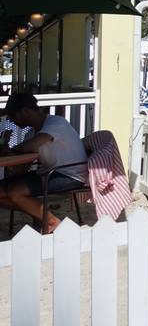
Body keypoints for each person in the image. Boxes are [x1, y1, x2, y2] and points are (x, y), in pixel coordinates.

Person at [0, 93, 89, 233]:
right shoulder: (31, 132)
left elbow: (31, 145)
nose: (11, 120)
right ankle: (38, 214)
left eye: (12, 116)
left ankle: (52, 222)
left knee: (15, 192)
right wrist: (6, 149)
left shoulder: (56, 123)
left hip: (69, 175)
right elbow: (21, 170)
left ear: (25, 111)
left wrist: (9, 151)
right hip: (49, 172)